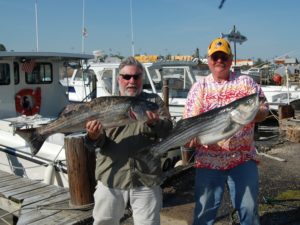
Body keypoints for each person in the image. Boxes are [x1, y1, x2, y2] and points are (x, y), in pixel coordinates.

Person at [183, 37, 269, 225]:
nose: (219, 61)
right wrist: (189, 140)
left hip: (243, 158)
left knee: (249, 209)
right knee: (204, 213)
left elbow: (264, 108)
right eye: (215, 57)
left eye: (224, 57)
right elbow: (189, 121)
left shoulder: (246, 83)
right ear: (209, 60)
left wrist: (253, 114)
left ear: (231, 60)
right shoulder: (199, 87)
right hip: (207, 160)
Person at [84, 56, 173, 225]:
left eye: (136, 76)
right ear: (119, 79)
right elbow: (91, 143)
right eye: (126, 77)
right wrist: (94, 136)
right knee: (104, 221)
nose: (131, 81)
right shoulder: (104, 104)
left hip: (146, 177)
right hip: (111, 176)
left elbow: (169, 130)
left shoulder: (153, 102)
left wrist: (155, 123)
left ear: (142, 79)